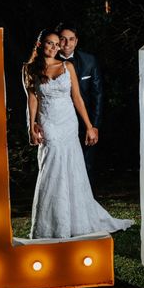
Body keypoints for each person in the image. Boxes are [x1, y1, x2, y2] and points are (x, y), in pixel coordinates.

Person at [23, 29, 132, 238]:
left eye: (56, 44)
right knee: (51, 168)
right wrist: (31, 126)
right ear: (39, 45)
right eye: (50, 43)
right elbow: (32, 100)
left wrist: (90, 126)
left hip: (68, 123)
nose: (55, 47)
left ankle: (76, 220)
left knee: (72, 167)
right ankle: (51, 224)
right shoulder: (29, 69)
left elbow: (77, 98)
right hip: (49, 123)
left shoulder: (67, 66)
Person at [54, 23, 103, 182]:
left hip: (84, 122)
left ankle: (86, 202)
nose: (67, 44)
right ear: (57, 41)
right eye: (63, 39)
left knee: (86, 166)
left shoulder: (89, 61)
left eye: (71, 39)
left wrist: (93, 126)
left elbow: (98, 95)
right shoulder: (48, 62)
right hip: (58, 122)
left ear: (76, 41)